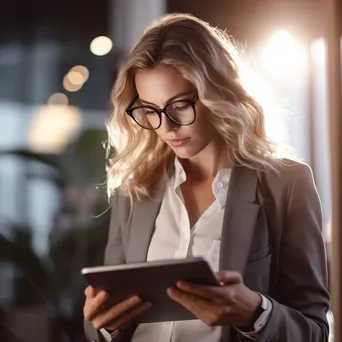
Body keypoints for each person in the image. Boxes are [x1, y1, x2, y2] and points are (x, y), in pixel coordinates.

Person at [83, 13, 330, 342]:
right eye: (150, 110)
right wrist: (102, 325)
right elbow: (103, 321)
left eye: (180, 105)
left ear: (218, 93)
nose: (166, 127)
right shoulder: (135, 187)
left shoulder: (286, 184)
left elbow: (314, 330)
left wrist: (255, 312)